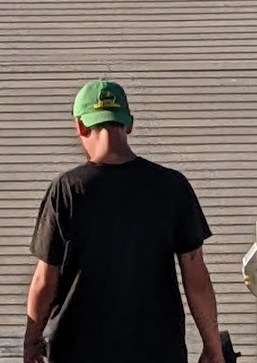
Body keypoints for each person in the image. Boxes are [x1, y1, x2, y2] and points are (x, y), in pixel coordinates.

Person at [24, 78, 224, 363]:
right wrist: (212, 345)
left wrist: (32, 341)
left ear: (80, 126)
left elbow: (45, 280)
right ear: (129, 124)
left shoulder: (67, 190)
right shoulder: (172, 186)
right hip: (157, 351)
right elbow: (196, 276)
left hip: (78, 351)